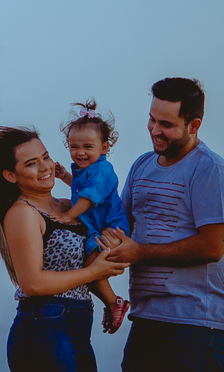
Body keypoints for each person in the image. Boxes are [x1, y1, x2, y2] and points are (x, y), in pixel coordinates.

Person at [0, 126, 128, 371]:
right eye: (31, 163)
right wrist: (94, 272)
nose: (45, 167)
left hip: (78, 327)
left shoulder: (69, 208)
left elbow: (87, 264)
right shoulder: (23, 214)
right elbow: (32, 283)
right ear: (11, 175)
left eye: (45, 157)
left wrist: (111, 247)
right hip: (44, 327)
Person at [98, 77, 224, 372]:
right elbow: (119, 227)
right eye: (152, 119)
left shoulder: (211, 170)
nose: (155, 130)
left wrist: (140, 252)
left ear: (194, 125)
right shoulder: (141, 165)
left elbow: (213, 247)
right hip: (146, 318)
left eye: (166, 124)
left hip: (198, 325)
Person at [52, 100, 131, 333]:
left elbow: (88, 197)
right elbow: (80, 189)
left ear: (104, 147)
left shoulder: (103, 170)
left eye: (88, 146)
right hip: (93, 228)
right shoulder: (85, 170)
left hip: (112, 227)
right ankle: (112, 303)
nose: (80, 152)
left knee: (90, 267)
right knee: (85, 270)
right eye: (74, 146)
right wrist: (65, 176)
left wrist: (68, 216)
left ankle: (114, 303)